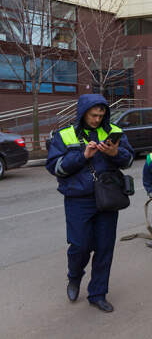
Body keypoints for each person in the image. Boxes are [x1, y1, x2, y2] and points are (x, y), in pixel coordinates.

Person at [46, 94, 134, 313]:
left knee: (105, 248)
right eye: (93, 115)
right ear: (83, 112)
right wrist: (82, 156)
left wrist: (115, 153)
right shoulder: (64, 135)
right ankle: (74, 277)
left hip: (108, 198)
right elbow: (54, 167)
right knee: (80, 245)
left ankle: (97, 294)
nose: (97, 119)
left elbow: (129, 159)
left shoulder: (113, 131)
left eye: (101, 115)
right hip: (78, 200)